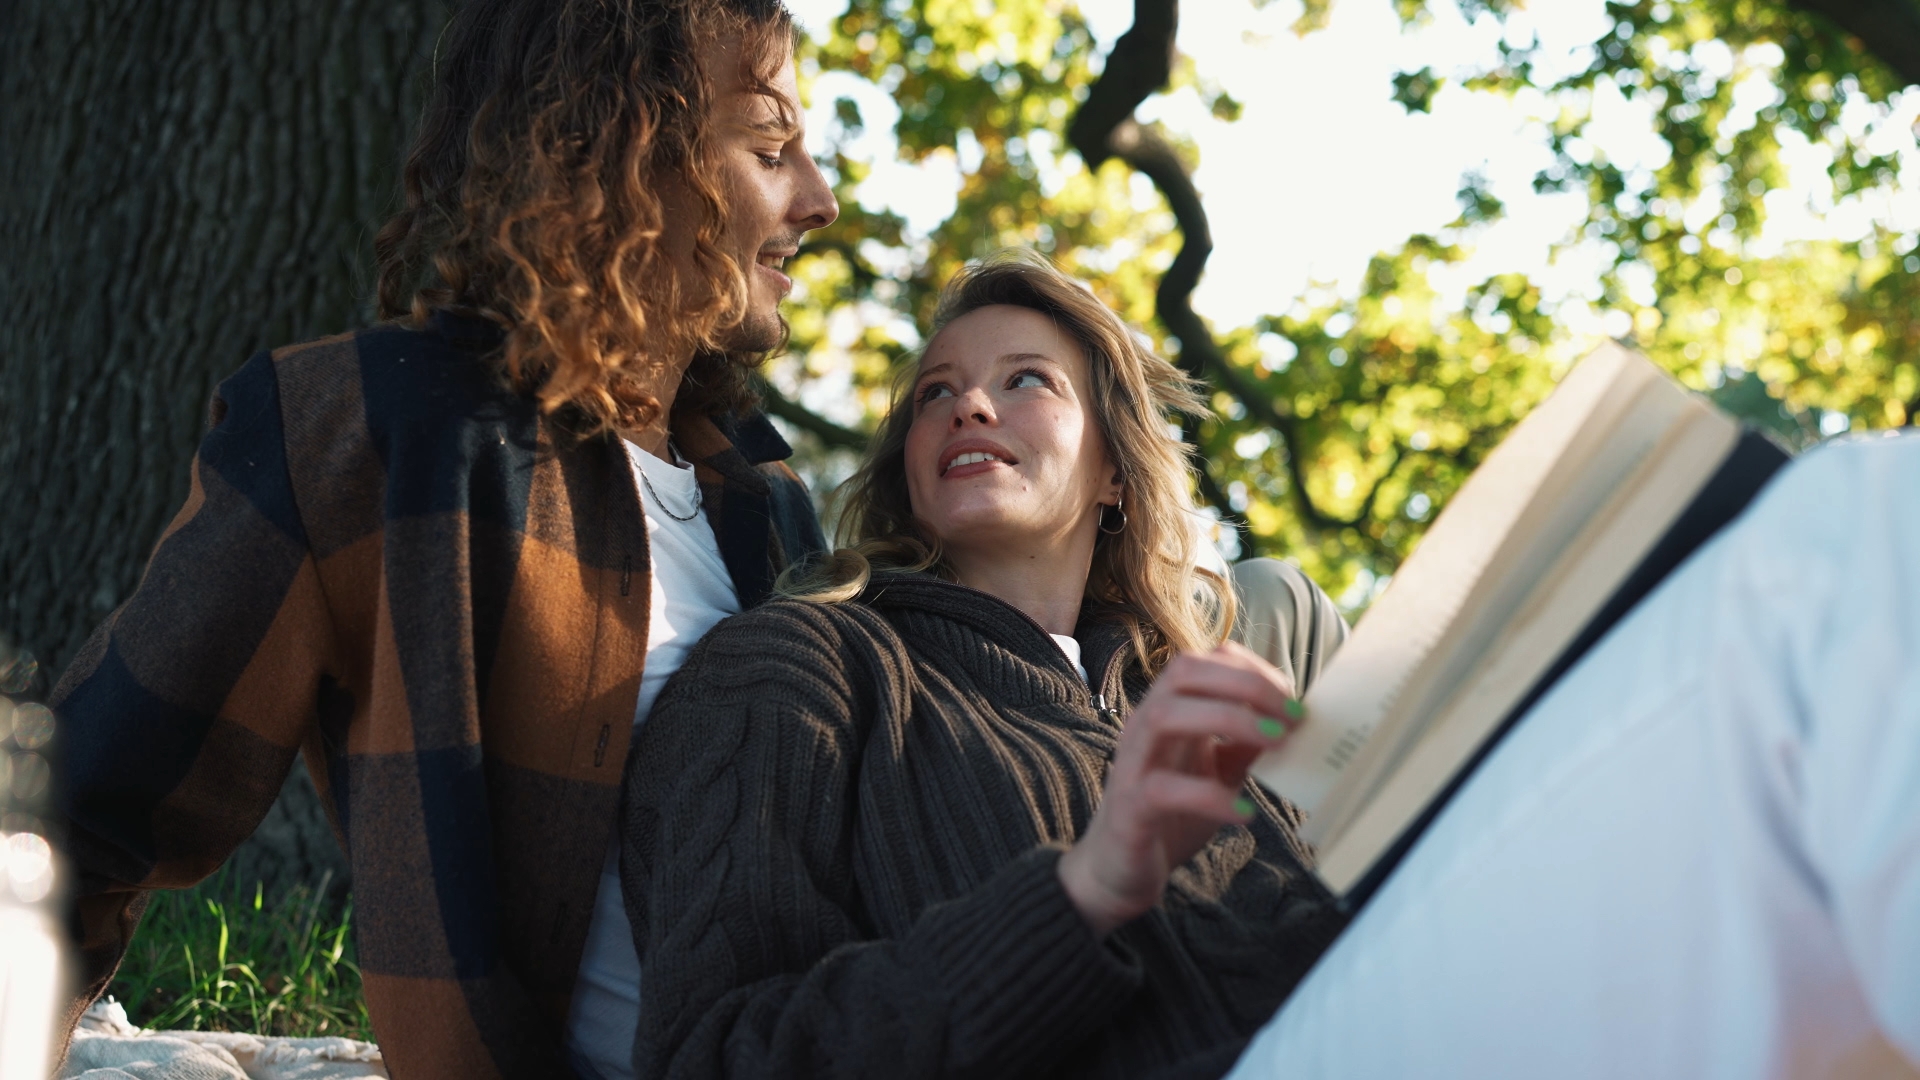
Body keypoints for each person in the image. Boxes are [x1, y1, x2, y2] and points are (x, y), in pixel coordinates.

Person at [48, 1, 837, 1076]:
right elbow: (83, 820)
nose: (820, 201)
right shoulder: (373, 431)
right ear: (610, 146)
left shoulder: (766, 494)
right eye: (771, 149)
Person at [619, 250, 1352, 1079]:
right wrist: (1083, 894)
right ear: (909, 469)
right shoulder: (799, 662)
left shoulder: (1185, 703)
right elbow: (718, 1055)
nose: (968, 405)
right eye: (935, 393)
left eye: (1026, 380)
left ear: (1115, 470)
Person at [1222, 429, 1920, 1078]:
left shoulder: (1259, 610)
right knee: (1856, 529)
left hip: (1398, 958)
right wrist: (1140, 868)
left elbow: (1380, 828)